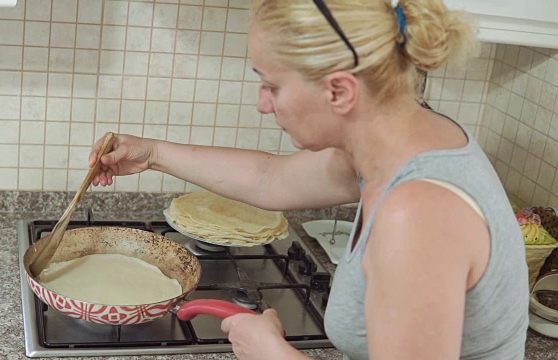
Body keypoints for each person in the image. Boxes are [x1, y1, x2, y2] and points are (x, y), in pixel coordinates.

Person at [89, 0, 529, 359]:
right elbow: (271, 180)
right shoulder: (402, 142)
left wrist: (271, 354)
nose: (263, 104)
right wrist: (153, 154)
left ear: (339, 90)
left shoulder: (417, 215)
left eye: (272, 86)